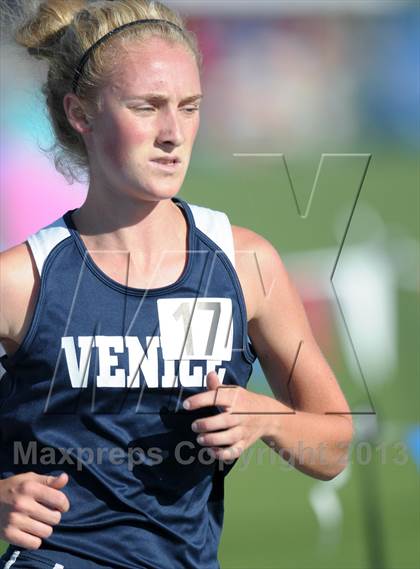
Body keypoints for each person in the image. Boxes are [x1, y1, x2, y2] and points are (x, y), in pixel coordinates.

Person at [0, 1, 354, 568]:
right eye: (147, 107)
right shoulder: (22, 280)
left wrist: (263, 417)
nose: (173, 134)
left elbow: (334, 444)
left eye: (189, 108)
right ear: (81, 114)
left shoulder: (245, 263)